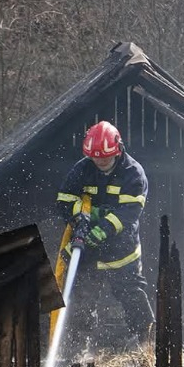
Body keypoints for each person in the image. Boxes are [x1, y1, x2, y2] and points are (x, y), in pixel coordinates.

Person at [54, 120, 154, 354]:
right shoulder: (83, 168)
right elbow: (64, 200)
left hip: (122, 250)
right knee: (81, 300)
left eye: (104, 158)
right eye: (95, 158)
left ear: (117, 150)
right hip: (86, 251)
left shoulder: (132, 174)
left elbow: (128, 214)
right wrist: (80, 218)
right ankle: (78, 352)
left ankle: (146, 345)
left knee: (131, 296)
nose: (99, 162)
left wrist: (101, 229)